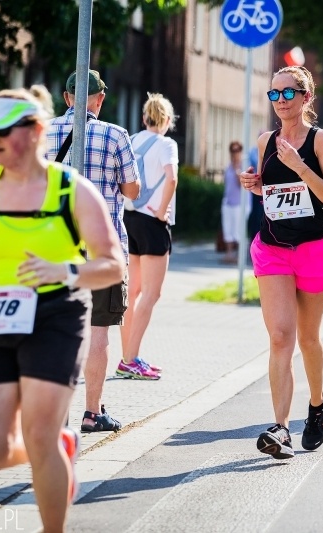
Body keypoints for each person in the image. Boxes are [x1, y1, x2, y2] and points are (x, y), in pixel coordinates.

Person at [0, 89, 124, 533]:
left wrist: (64, 269)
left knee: (38, 436)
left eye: (4, 130)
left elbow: (113, 263)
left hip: (57, 314)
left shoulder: (70, 190)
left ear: (37, 130)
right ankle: (57, 446)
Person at [240, 66, 323, 460]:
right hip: (273, 247)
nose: (281, 100)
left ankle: (317, 403)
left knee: (308, 338)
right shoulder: (266, 139)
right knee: (281, 337)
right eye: (274, 94)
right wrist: (258, 188)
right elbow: (277, 196)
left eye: (289, 93)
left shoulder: (321, 141)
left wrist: (301, 167)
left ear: (306, 97)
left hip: (315, 248)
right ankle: (281, 429)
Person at [45, 70, 141, 432]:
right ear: (99, 99)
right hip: (103, 249)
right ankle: (92, 412)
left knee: (55, 330)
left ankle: (53, 414)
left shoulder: (45, 132)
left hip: (54, 248)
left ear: (68, 98)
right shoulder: (116, 135)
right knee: (98, 328)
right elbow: (132, 192)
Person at [120, 92, 178, 378]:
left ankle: (127, 356)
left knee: (133, 292)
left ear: (144, 118)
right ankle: (130, 360)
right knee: (152, 293)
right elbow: (172, 178)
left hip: (130, 218)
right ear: (167, 120)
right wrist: (161, 211)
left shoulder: (133, 140)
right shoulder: (167, 144)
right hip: (153, 223)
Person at [221, 141, 244, 264]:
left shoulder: (243, 166)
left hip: (239, 203)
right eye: (232, 150)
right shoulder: (228, 166)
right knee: (227, 229)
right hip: (227, 202)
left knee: (238, 230)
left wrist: (237, 170)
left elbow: (241, 184)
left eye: (237, 150)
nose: (235, 153)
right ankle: (229, 254)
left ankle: (239, 255)